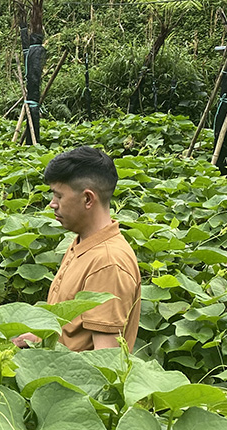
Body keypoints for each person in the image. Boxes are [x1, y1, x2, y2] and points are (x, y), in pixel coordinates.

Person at [13, 146, 141, 351]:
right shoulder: (84, 241)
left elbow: (105, 363)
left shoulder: (108, 262)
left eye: (59, 196)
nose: (52, 205)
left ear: (88, 199)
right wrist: (39, 340)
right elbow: (72, 333)